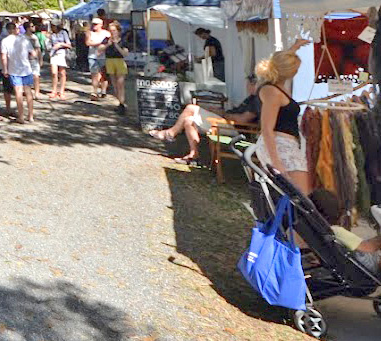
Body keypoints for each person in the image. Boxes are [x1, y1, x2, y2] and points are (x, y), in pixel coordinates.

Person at [148, 76, 261, 163]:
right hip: (227, 122)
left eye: (249, 84)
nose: (247, 86)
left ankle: (170, 133)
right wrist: (220, 113)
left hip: (235, 129)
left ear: (255, 85)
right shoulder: (251, 98)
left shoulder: (256, 100)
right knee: (189, 121)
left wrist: (224, 115)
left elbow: (243, 120)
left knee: (190, 108)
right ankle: (194, 154)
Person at [254, 40, 312, 194]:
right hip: (280, 146)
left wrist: (294, 48)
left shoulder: (274, 86)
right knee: (302, 197)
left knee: (298, 197)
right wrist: (276, 162)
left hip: (284, 145)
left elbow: (280, 62)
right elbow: (267, 128)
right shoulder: (273, 92)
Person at [309, 189, 381, 275]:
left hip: (352, 264)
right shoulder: (337, 231)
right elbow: (369, 247)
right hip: (369, 267)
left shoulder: (320, 229)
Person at [1, 23, 38, 122]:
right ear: (15, 29)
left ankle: (21, 116)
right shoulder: (24, 39)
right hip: (26, 68)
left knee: (18, 92)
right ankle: (30, 116)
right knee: (28, 92)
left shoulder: (4, 41)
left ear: (8, 30)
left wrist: (4, 69)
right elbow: (33, 54)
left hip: (14, 69)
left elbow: (4, 57)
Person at [105, 20, 130, 115]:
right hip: (110, 61)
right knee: (114, 84)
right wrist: (108, 44)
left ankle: (122, 104)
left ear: (118, 31)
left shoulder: (123, 41)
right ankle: (119, 102)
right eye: (110, 30)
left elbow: (125, 53)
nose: (112, 32)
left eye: (114, 30)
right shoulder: (107, 39)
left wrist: (116, 45)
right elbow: (99, 51)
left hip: (119, 61)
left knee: (120, 84)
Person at [85, 18, 111, 101]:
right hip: (92, 56)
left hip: (104, 56)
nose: (94, 26)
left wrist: (100, 44)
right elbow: (88, 43)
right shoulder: (90, 33)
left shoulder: (106, 33)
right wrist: (100, 43)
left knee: (104, 75)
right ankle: (95, 92)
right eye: (93, 24)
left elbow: (109, 43)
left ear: (101, 25)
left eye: (96, 24)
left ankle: (103, 90)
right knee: (94, 74)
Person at [48, 21, 71, 99]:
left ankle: (61, 91)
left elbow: (69, 44)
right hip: (53, 54)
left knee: (62, 73)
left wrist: (60, 44)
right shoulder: (52, 35)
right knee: (54, 73)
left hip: (62, 54)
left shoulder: (63, 33)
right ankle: (54, 90)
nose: (52, 27)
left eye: (53, 26)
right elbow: (49, 45)